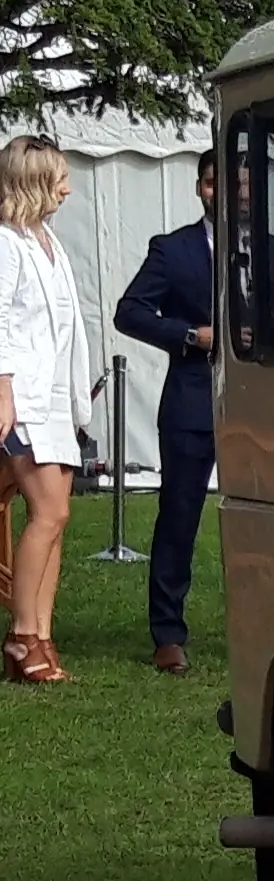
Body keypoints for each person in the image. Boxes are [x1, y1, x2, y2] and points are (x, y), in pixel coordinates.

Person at [115, 149, 219, 674]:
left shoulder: (271, 248)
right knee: (179, 517)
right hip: (191, 401)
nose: (226, 193)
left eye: (240, 184)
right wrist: (188, 335)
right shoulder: (173, 250)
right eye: (211, 183)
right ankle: (168, 634)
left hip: (261, 405)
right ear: (199, 188)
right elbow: (128, 312)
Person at [0, 135, 93, 685]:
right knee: (48, 511)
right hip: (25, 397)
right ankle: (20, 635)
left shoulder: (46, 241)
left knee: (60, 517)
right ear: (32, 180)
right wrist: (4, 390)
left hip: (55, 397)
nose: (68, 186)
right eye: (59, 175)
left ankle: (41, 631)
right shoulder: (6, 243)